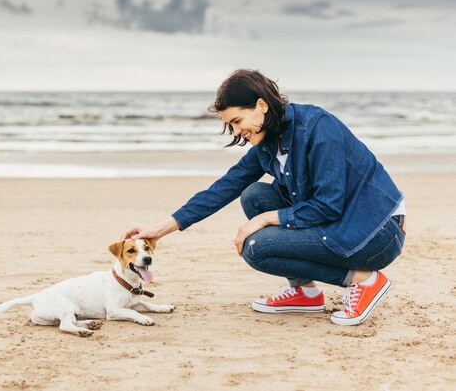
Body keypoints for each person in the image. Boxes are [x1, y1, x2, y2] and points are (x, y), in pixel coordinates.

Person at [121, 69, 406, 326]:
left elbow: (327, 206)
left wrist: (265, 219)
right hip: (341, 221)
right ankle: (305, 292)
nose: (236, 131)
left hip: (376, 232)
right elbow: (223, 188)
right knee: (254, 195)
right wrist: (157, 232)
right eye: (230, 125)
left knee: (257, 246)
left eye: (237, 121)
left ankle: (364, 281)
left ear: (261, 105)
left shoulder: (319, 127)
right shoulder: (268, 143)